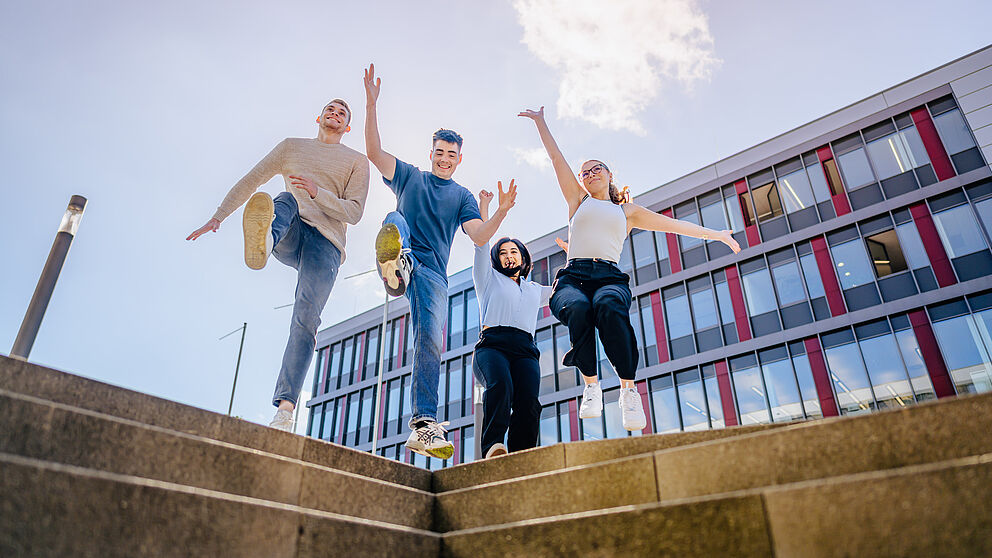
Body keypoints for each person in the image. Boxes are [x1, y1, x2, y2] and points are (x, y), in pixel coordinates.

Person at [519, 106, 740, 431]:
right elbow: (556, 159)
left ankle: (628, 390)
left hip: (607, 275)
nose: (590, 174)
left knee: (608, 308)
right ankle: (591, 385)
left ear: (609, 174)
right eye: (585, 173)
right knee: (579, 309)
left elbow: (672, 225)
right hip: (573, 277)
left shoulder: (628, 211)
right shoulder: (577, 201)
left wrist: (715, 234)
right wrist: (541, 123)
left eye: (596, 169)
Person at [187, 99, 369, 432]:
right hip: (291, 229)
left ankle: (285, 410)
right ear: (318, 117)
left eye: (343, 113)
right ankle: (267, 241)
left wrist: (317, 193)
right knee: (281, 199)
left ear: (347, 127)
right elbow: (251, 180)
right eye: (331, 109)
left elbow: (354, 213)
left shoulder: (356, 161)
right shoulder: (291, 148)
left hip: (327, 245)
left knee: (306, 316)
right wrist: (217, 217)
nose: (336, 114)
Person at [363, 63, 516, 458]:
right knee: (395, 219)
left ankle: (424, 425)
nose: (445, 159)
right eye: (440, 153)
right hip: (407, 252)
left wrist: (499, 212)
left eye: (452, 155)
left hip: (432, 275)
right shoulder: (411, 177)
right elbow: (375, 153)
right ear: (430, 154)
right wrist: (371, 102)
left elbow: (480, 236)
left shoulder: (462, 196)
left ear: (459, 159)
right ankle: (395, 265)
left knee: (430, 341)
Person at [471, 190, 552, 459]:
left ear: (523, 257)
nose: (509, 256)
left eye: (513, 251)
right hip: (492, 347)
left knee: (529, 402)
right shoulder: (488, 279)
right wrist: (488, 206)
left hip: (526, 350)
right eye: (503, 252)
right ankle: (493, 446)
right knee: (501, 386)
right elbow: (481, 243)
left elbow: (561, 290)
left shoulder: (533, 289)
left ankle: (522, 455)